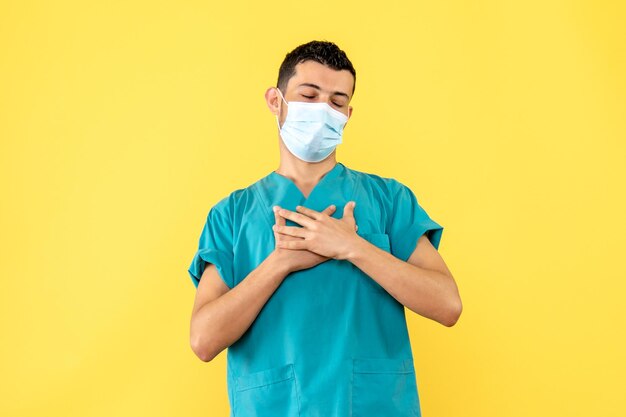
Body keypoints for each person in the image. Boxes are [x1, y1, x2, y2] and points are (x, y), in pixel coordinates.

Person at [187, 40, 462, 417]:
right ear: (275, 101)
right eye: (309, 95)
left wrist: (352, 247)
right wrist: (281, 262)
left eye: (336, 101)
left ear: (348, 114)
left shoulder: (387, 199)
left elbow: (448, 305)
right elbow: (203, 340)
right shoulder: (231, 214)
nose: (322, 110)